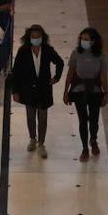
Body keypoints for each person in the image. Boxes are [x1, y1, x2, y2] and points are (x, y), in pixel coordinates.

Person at [11, 25, 64, 158]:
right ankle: (32, 139)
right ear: (29, 37)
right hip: (28, 89)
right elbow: (15, 71)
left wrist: (56, 78)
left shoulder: (47, 49)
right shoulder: (23, 51)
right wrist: (15, 91)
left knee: (42, 117)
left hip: (44, 89)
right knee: (30, 116)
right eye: (33, 37)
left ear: (42, 37)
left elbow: (60, 62)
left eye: (38, 37)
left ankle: (41, 143)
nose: (36, 39)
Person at [64, 27, 108, 162]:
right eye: (82, 39)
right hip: (79, 90)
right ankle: (84, 148)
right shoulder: (76, 53)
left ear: (93, 41)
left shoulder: (100, 56)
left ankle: (93, 139)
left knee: (94, 120)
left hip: (94, 90)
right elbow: (70, 73)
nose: (83, 41)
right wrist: (66, 91)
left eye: (86, 39)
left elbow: (102, 76)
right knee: (83, 120)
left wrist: (105, 93)